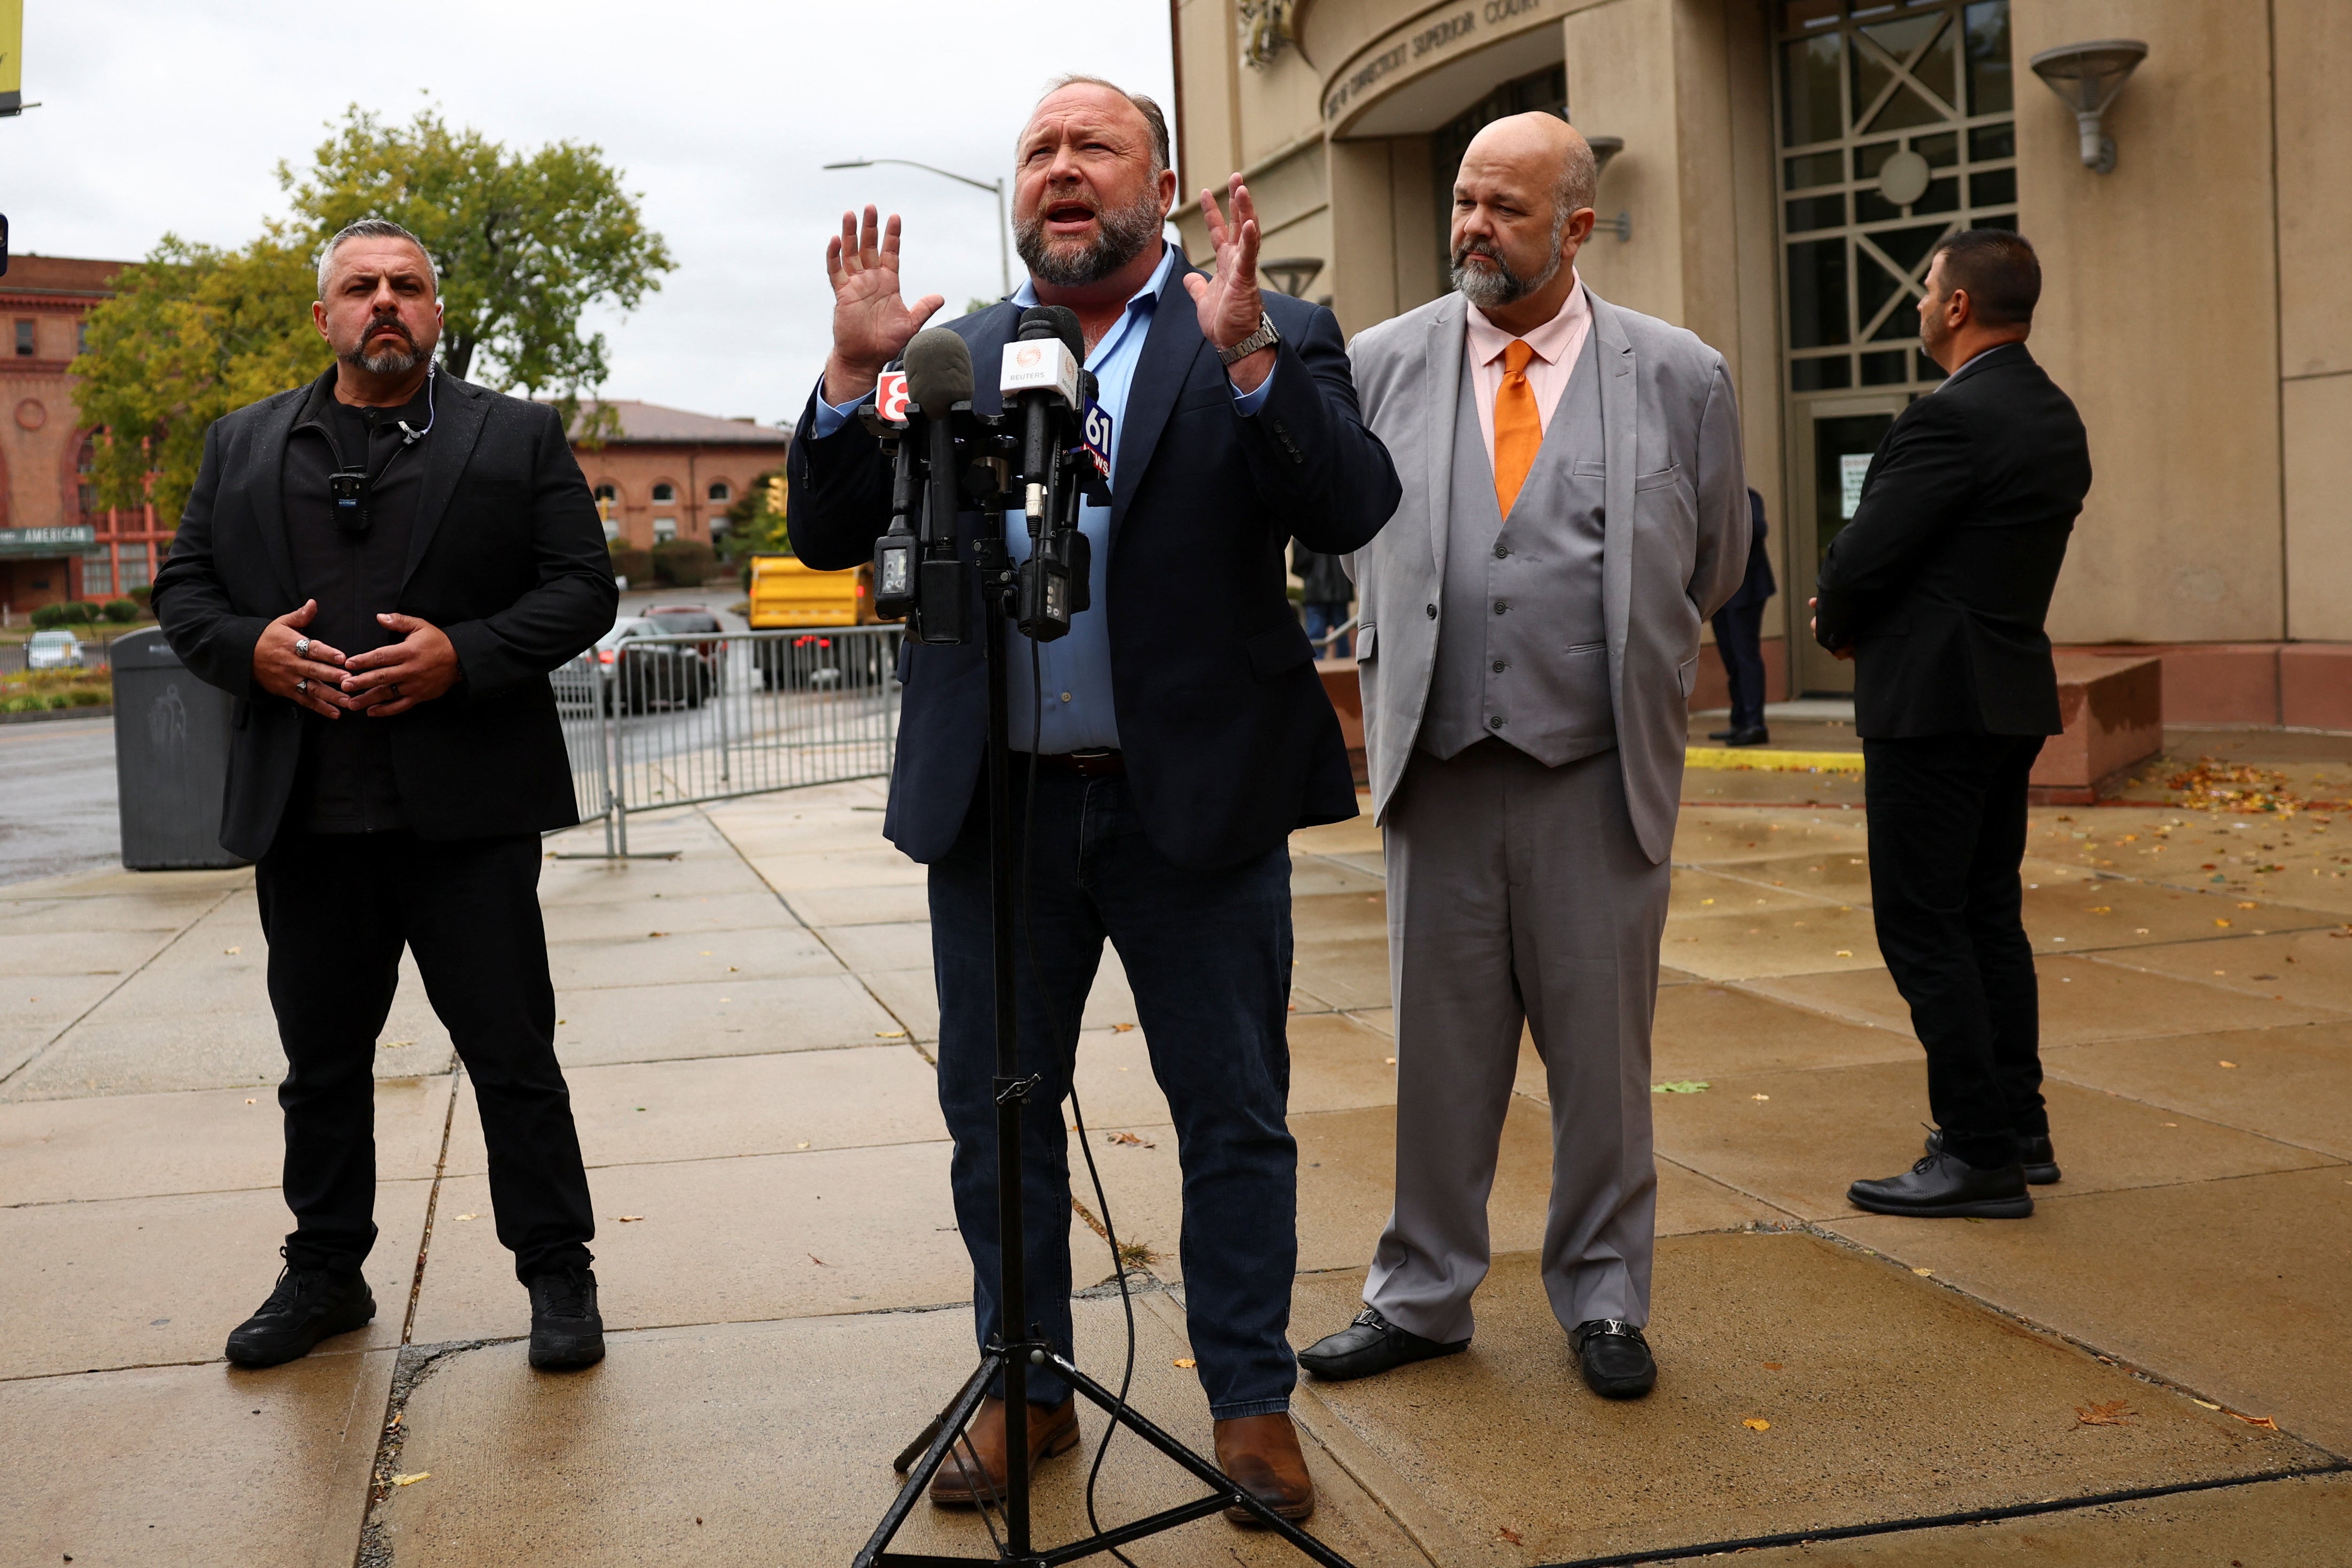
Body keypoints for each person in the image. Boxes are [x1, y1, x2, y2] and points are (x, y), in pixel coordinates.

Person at [787, 76, 1399, 1523]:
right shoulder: (950, 354)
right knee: (995, 1112)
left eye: (1094, 147)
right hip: (998, 817)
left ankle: (1250, 1399)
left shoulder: (1264, 329)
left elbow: (1352, 508)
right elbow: (823, 530)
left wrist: (1251, 358)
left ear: (1162, 183)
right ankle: (1027, 1385)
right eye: (1039, 152)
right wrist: (839, 374)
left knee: (1234, 1113)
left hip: (1198, 808)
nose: (1061, 171)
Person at [1296, 114, 1748, 1400]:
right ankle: (1421, 1295)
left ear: (1576, 224)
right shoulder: (1374, 362)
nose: (1471, 228)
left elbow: (1709, 565)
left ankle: (1604, 1297)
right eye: (1461, 202)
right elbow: (1338, 539)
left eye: (1501, 207)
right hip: (1433, 770)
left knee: (1603, 1064)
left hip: (1594, 777)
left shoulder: (1678, 376)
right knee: (1437, 1058)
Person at [153, 218, 617, 1371]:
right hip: (305, 815)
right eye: (360, 287)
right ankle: (324, 1276)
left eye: (406, 285)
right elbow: (184, 590)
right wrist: (247, 649)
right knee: (319, 1066)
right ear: (325, 317)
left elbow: (582, 590)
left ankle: (558, 1278)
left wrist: (467, 652)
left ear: (435, 311)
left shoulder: (514, 437)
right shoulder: (245, 444)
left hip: (468, 817)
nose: (385, 302)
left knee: (511, 1056)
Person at [1813, 229, 2090, 1220]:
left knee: (1924, 923)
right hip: (2006, 695)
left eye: (1929, 288)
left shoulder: (1951, 419)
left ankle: (1977, 1149)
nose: (1922, 304)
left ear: (1960, 306)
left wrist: (1836, 622)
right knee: (1985, 916)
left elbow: (1861, 557)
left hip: (1931, 705)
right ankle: (2021, 1125)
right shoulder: (2053, 415)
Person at [1706, 488, 1775, 746]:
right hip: (1720, 592)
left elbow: (1758, 529)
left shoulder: (1747, 496)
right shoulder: (1708, 499)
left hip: (1747, 590)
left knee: (1746, 656)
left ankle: (1756, 724)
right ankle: (1740, 721)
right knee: (1731, 658)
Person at [1293, 541, 1354, 658]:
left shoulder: (1306, 528)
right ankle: (1343, 670)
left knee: (1316, 637)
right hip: (1340, 589)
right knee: (1342, 636)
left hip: (1315, 590)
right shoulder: (1341, 525)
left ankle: (1318, 670)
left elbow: (1299, 563)